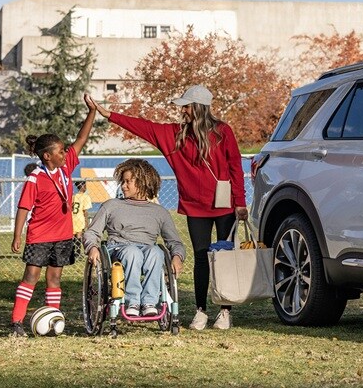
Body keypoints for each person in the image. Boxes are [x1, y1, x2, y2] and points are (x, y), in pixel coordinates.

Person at [84, 89, 247, 330]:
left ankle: (224, 311)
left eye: (186, 106)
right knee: (201, 257)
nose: (182, 110)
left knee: (224, 257)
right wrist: (108, 114)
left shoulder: (223, 132)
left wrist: (240, 202)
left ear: (199, 107)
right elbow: (143, 127)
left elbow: (235, 167)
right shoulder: (175, 134)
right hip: (195, 207)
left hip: (225, 205)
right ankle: (201, 311)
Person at [8, 106, 97, 337]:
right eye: (60, 151)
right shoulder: (35, 178)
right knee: (31, 276)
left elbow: (82, 138)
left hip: (63, 236)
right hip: (39, 236)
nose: (65, 154)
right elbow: (24, 207)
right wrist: (18, 235)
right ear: (47, 156)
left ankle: (52, 320)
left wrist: (92, 112)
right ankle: (17, 322)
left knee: (55, 278)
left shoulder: (66, 168)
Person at [83, 159, 187, 317]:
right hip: (118, 250)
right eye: (122, 182)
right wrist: (92, 247)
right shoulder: (111, 205)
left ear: (143, 183)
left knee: (156, 253)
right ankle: (133, 301)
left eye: (127, 182)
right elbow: (92, 232)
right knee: (133, 252)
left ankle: (149, 302)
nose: (123, 186)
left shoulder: (159, 212)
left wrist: (178, 257)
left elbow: (174, 242)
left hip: (147, 250)